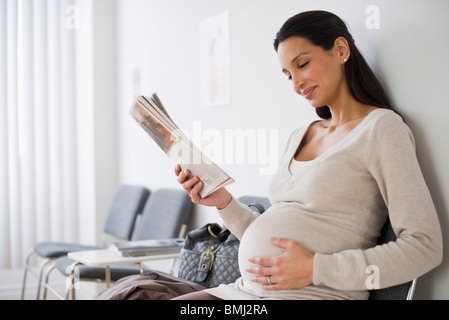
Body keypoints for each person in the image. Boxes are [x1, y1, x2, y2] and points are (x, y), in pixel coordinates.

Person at [173, 10, 442, 300]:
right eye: (288, 75)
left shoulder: (380, 129)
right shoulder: (300, 135)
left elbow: (424, 246)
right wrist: (224, 202)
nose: (296, 83)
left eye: (302, 64)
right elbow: (273, 235)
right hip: (245, 292)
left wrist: (316, 268)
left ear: (340, 49)